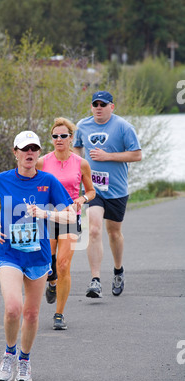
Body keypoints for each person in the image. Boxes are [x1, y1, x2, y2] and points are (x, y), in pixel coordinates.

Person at [0, 130, 75, 381]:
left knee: (32, 314)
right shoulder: (2, 179)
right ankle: (9, 354)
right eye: (25, 149)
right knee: (13, 308)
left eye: (34, 149)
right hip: (9, 252)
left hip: (38, 255)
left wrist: (46, 214)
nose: (30, 153)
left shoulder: (48, 181)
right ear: (15, 152)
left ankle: (24, 360)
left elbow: (71, 216)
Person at [73, 90, 142, 298]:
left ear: (112, 106)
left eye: (103, 104)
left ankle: (118, 270)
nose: (99, 108)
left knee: (113, 233)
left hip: (117, 190)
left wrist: (107, 156)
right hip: (93, 190)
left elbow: (137, 154)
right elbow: (76, 150)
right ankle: (95, 280)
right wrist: (77, 171)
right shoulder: (82, 126)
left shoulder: (123, 127)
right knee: (93, 230)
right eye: (95, 104)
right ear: (91, 107)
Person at [36, 117, 95, 330]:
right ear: (51, 139)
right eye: (55, 136)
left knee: (63, 265)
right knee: (48, 266)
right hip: (47, 217)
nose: (59, 139)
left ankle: (59, 313)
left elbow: (91, 191)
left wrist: (82, 199)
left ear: (71, 138)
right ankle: (51, 282)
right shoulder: (42, 162)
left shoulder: (82, 163)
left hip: (70, 217)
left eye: (63, 136)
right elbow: (34, 185)